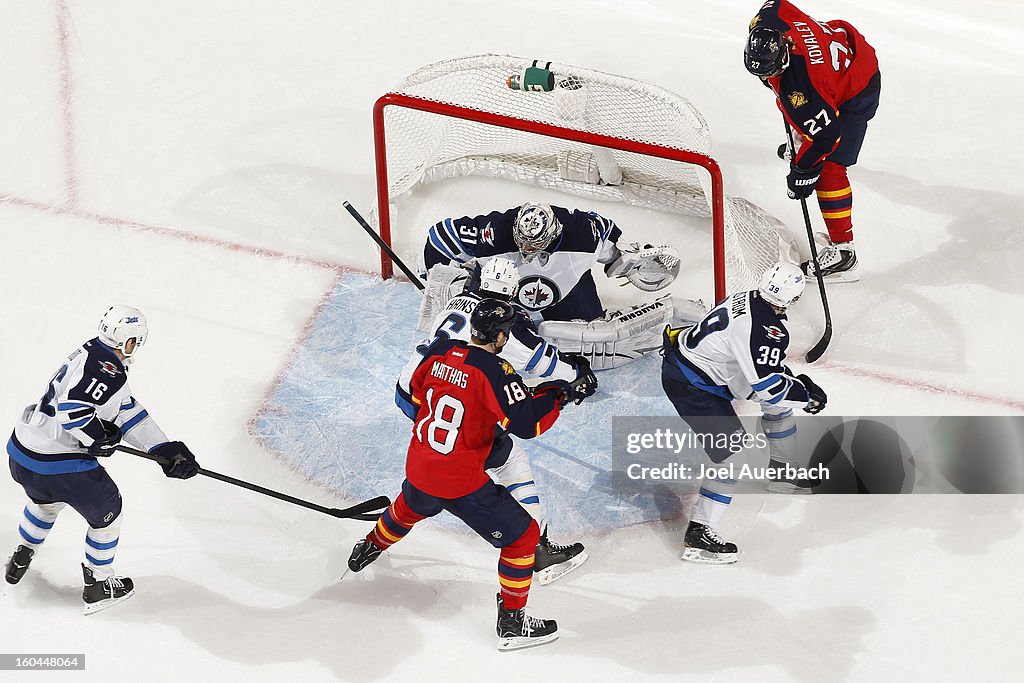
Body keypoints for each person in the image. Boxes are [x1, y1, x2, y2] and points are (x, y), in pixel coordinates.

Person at [348, 298, 594, 651]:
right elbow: (527, 423)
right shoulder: (496, 370)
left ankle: (370, 545)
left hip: (420, 461)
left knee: (409, 507)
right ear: (502, 337)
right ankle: (512, 622)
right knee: (523, 539)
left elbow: (416, 393)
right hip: (460, 480)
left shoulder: (440, 352)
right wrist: (560, 393)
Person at [397, 257, 596, 585]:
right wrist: (577, 375)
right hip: (452, 398)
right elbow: (545, 368)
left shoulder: (457, 301)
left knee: (454, 435)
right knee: (507, 455)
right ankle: (538, 549)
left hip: (418, 390)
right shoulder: (507, 328)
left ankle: (417, 499)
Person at [4, 305, 199, 614]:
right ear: (129, 341)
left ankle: (23, 553)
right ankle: (98, 584)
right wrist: (97, 436)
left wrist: (161, 447)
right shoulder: (106, 369)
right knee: (108, 513)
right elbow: (73, 410)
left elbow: (124, 408)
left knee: (45, 502)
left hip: (24, 454)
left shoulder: (92, 354)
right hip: (59, 465)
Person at [660, 262, 827, 563]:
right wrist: (807, 396)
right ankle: (700, 533)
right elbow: (768, 386)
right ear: (795, 298)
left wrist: (795, 384)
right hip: (691, 383)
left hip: (708, 371)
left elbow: (763, 367)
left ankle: (782, 472)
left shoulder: (748, 296)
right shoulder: (767, 329)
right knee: (735, 455)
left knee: (779, 405)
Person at [421, 202, 702, 369]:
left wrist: (629, 262)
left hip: (569, 293)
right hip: (503, 300)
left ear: (553, 232)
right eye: (523, 241)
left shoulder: (584, 233)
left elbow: (614, 258)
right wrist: (433, 285)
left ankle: (675, 324)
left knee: (597, 338)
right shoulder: (493, 232)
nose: (527, 248)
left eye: (535, 242)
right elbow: (438, 239)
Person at [745, 0, 881, 281]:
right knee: (805, 117)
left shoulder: (802, 89)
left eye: (769, 72)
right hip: (841, 52)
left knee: (830, 168)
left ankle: (844, 253)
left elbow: (828, 137)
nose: (766, 78)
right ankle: (805, 135)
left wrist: (802, 171)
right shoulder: (770, 18)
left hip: (858, 85)